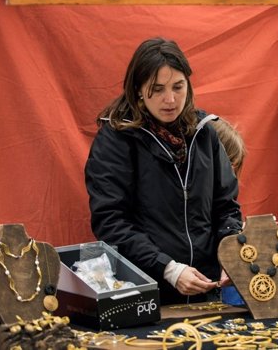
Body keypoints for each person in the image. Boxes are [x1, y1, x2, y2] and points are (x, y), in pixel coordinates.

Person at [85, 37, 242, 305]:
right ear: (137, 91)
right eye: (157, 89)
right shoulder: (116, 140)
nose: (170, 99)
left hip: (207, 291)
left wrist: (231, 254)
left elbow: (226, 207)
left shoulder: (205, 133)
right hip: (145, 293)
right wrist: (170, 269)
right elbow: (111, 222)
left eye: (178, 87)